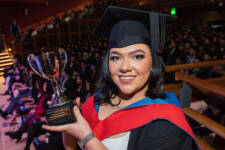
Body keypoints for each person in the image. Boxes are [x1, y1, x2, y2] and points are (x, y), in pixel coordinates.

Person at [43, 6, 199, 150]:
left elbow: (85, 141)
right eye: (116, 58)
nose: (124, 67)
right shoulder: (96, 101)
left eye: (137, 56)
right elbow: (71, 148)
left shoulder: (166, 123)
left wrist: (87, 137)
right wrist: (70, 125)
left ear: (153, 62)